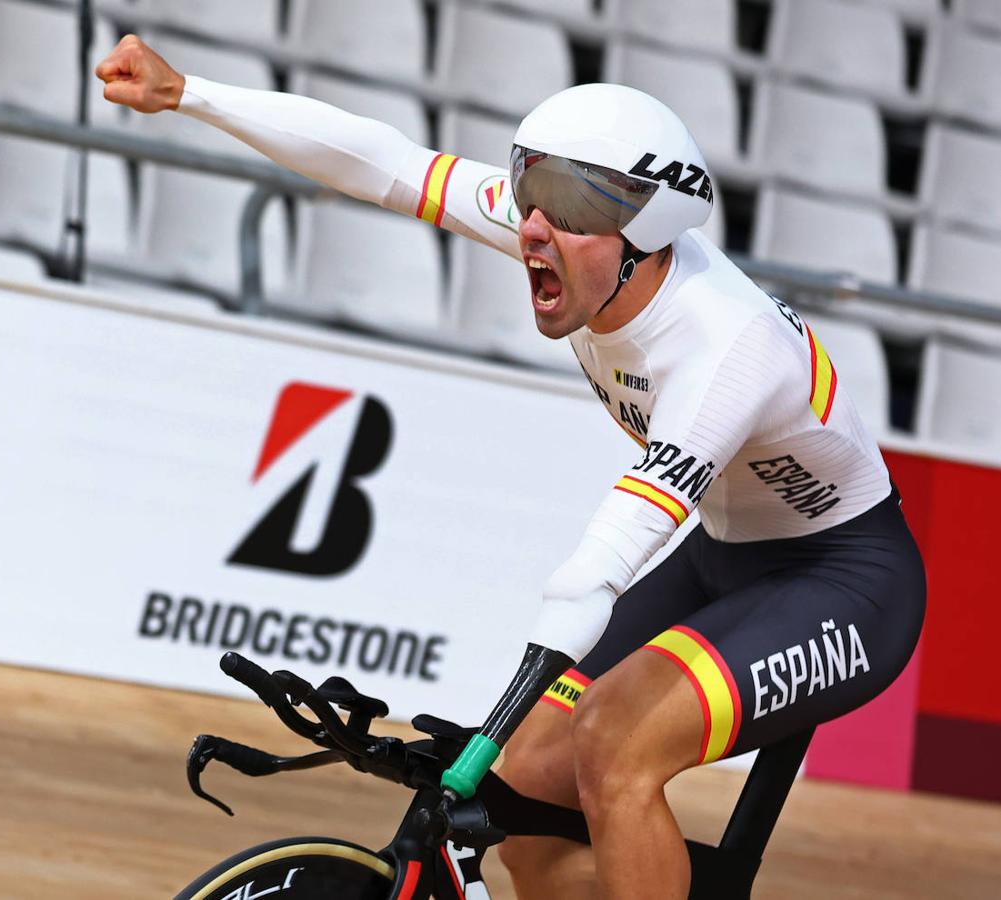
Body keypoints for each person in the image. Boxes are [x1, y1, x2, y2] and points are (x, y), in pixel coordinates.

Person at [96, 35, 926, 899]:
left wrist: (500, 708)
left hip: (846, 582)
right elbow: (382, 163)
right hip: (725, 557)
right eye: (528, 184)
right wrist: (189, 92)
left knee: (614, 745)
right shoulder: (576, 237)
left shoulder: (726, 346)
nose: (530, 222)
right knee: (523, 786)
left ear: (641, 233)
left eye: (561, 200)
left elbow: (611, 553)